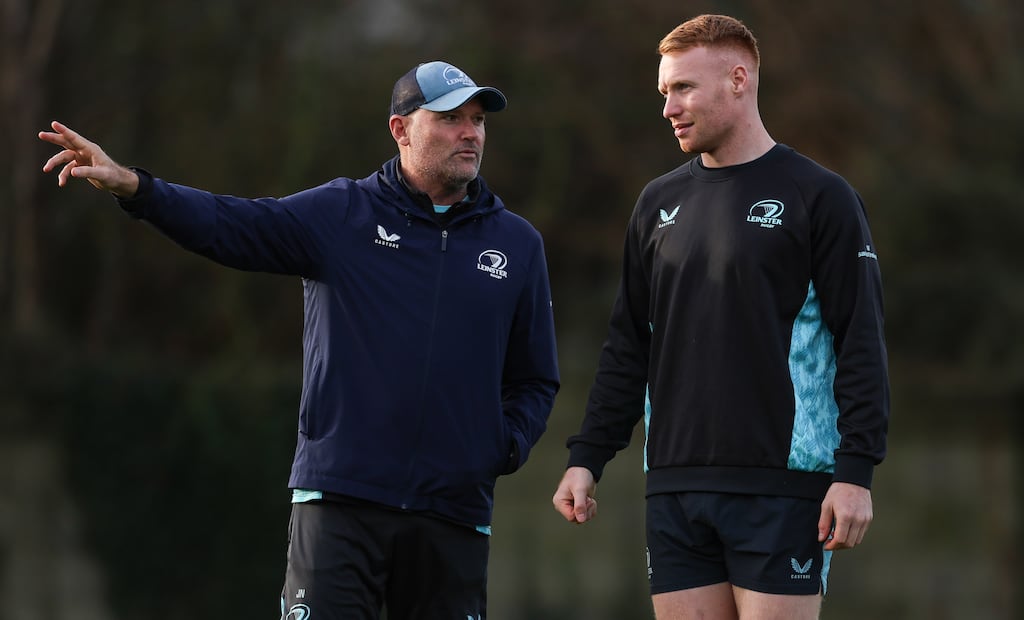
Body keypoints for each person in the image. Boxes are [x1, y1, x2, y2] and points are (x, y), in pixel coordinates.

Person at [40, 60, 560, 620]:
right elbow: (230, 225)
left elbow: (535, 377)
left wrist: (500, 445)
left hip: (453, 513)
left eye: (478, 120)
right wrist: (136, 188)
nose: (471, 133)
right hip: (341, 501)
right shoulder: (342, 214)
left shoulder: (517, 245)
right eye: (451, 117)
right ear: (401, 129)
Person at [551, 14, 889, 620]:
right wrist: (587, 457)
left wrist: (856, 471)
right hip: (675, 487)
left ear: (739, 80)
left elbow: (860, 341)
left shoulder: (819, 196)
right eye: (663, 93)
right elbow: (629, 344)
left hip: (782, 486)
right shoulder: (657, 203)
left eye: (683, 88)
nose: (668, 108)